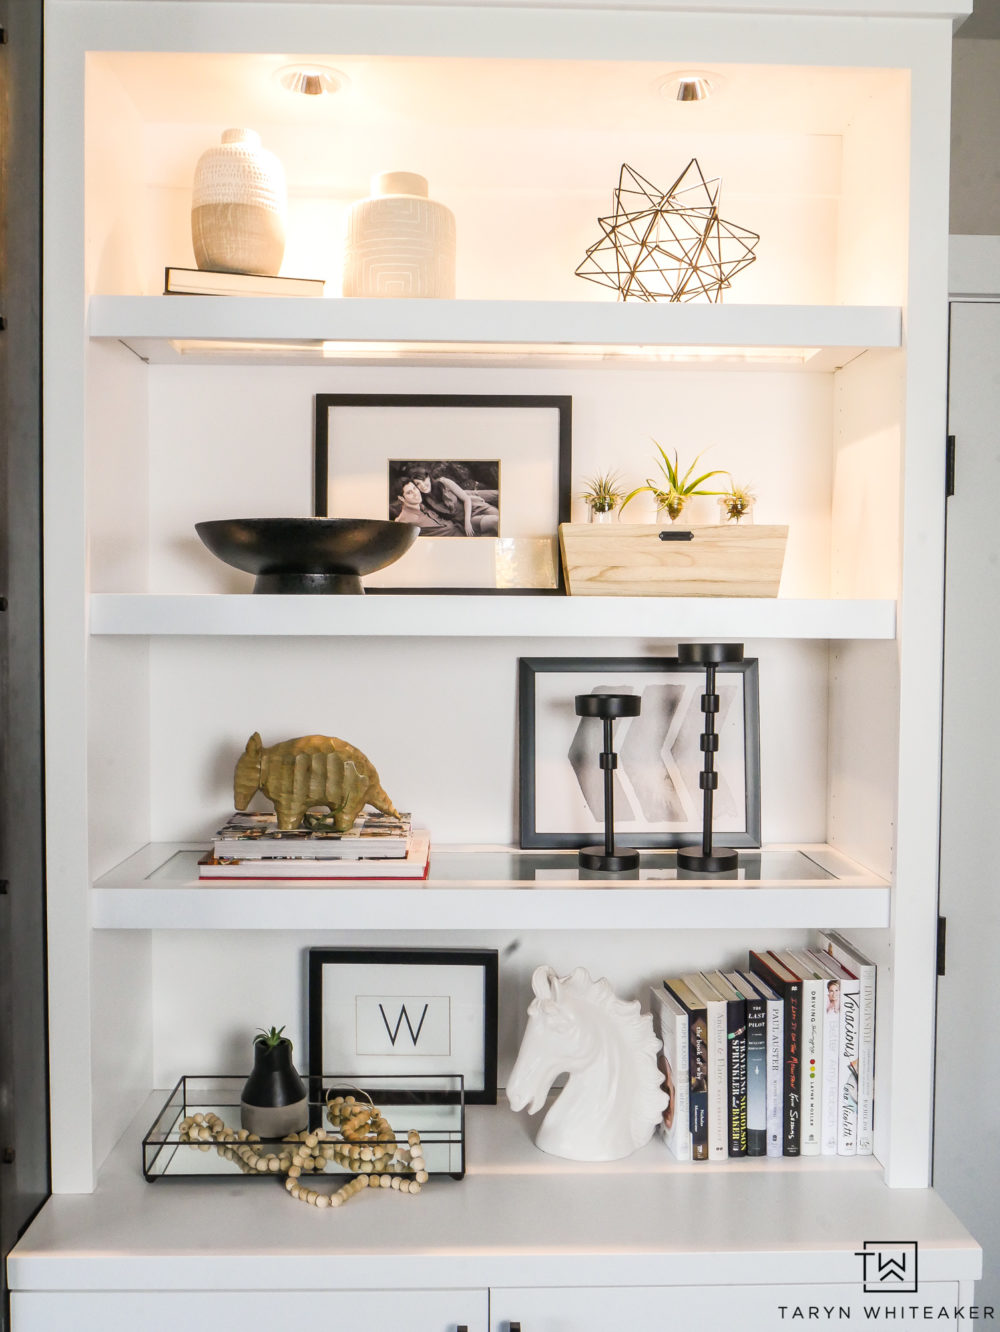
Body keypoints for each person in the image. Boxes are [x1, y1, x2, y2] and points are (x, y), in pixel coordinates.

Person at [411, 467, 499, 537]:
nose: (422, 485)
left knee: (501, 517)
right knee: (495, 520)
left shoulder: (443, 482)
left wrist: (467, 522)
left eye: (423, 480)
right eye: (418, 484)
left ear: (429, 477)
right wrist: (467, 523)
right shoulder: (425, 501)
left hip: (475, 507)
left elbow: (466, 499)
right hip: (466, 520)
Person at [391, 479, 460, 534]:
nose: (416, 493)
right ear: (401, 498)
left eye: (414, 488)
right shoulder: (406, 521)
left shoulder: (423, 504)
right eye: (409, 492)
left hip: (458, 528)